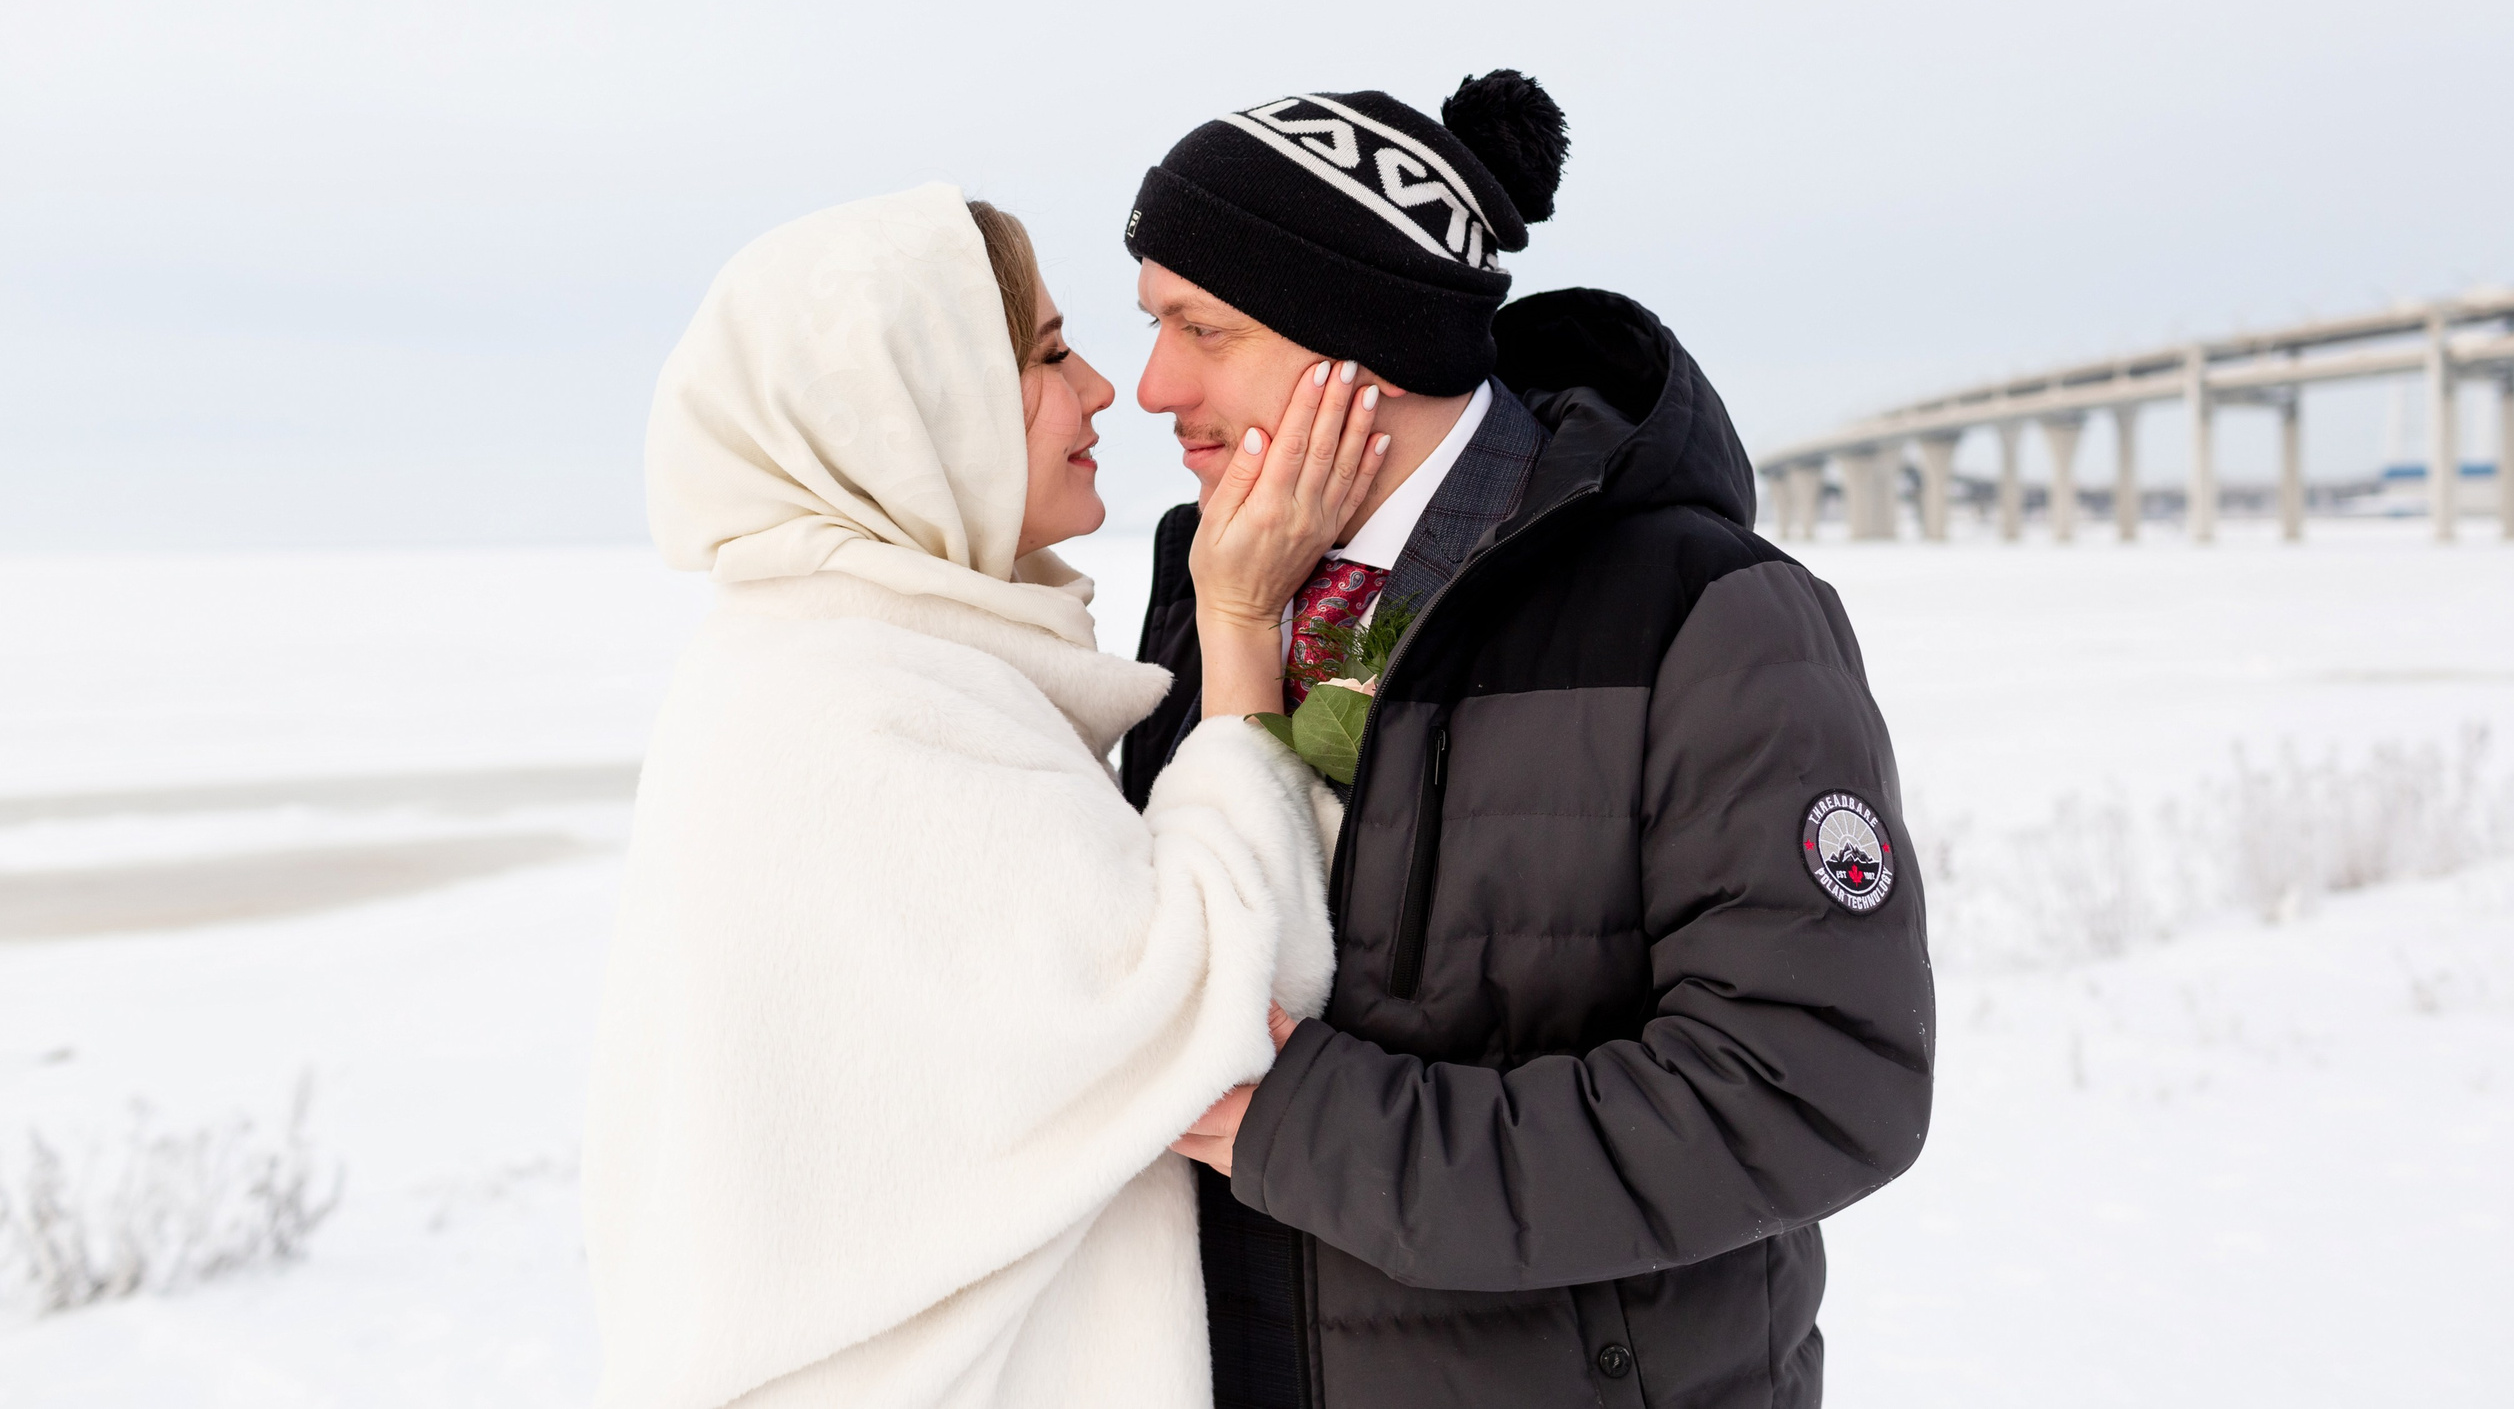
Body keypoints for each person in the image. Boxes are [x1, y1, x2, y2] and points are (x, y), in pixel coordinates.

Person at [1119, 74, 1936, 1408]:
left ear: (1355, 337)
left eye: (1199, 326)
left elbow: (1817, 1082)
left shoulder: (1704, 614)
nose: (1154, 384)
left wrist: (1311, 1127)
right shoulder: (1215, 592)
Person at [582, 183, 1389, 1408]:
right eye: (1049, 354)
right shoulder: (862, 697)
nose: (1106, 392)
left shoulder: (839, 659)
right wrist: (1235, 623)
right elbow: (1219, 1008)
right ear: (910, 401)